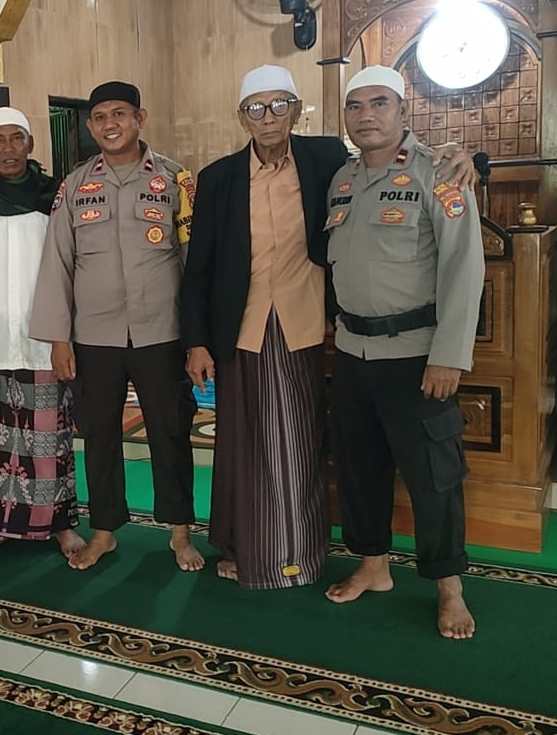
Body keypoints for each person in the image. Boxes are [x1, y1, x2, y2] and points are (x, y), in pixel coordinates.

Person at [182, 66, 476, 588]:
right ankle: (326, 559)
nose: (268, 117)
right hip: (315, 341)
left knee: (413, 469)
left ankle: (443, 585)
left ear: (297, 111)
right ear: (241, 116)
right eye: (255, 107)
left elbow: (461, 260)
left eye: (279, 104)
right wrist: (197, 339)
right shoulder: (325, 176)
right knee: (324, 460)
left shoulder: (333, 162)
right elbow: (199, 266)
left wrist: (471, 156)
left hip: (363, 339)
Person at [323, 66, 484, 640]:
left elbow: (465, 266)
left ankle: (449, 586)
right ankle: (374, 566)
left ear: (401, 110)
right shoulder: (341, 179)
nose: (366, 115)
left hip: (417, 356)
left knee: (433, 477)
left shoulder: (439, 172)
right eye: (355, 106)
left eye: (379, 103)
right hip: (352, 352)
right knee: (360, 469)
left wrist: (450, 355)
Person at [29, 81, 201, 572]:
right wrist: (59, 338)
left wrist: (198, 339)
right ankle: (104, 531)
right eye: (101, 116)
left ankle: (180, 531)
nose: (110, 124)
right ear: (90, 125)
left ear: (139, 118)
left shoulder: (174, 179)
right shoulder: (75, 185)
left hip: (161, 332)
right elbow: (57, 262)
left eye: (120, 114)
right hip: (94, 337)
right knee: (100, 435)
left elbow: (194, 260)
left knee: (170, 431)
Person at [0, 107, 83, 558]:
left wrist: (67, 334)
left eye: (17, 138)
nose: (8, 148)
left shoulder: (56, 196)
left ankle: (60, 525)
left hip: (44, 340)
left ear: (31, 144)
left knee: (49, 442)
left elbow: (72, 265)